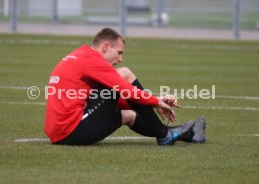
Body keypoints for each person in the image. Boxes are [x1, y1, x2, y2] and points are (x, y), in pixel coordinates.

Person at [44, 27, 206, 146]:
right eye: (119, 52)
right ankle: (165, 135)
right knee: (125, 74)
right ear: (106, 47)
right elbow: (126, 89)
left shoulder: (81, 55)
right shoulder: (92, 60)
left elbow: (115, 97)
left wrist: (154, 100)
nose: (120, 58)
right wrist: (155, 102)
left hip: (61, 131)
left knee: (128, 115)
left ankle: (189, 135)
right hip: (71, 131)